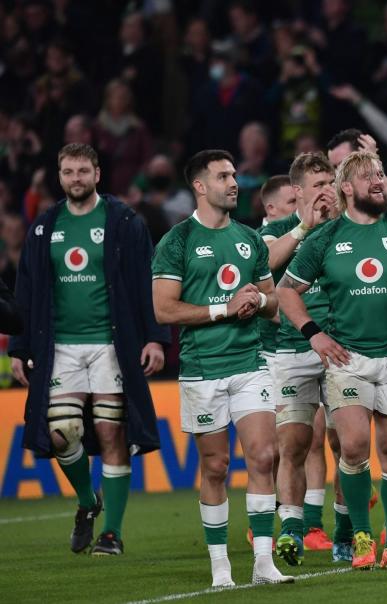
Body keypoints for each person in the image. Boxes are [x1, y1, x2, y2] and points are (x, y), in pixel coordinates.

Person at [277, 150, 387, 571]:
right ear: (346, 189)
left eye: (380, 173)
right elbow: (285, 291)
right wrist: (314, 334)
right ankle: (359, 535)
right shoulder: (324, 237)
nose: (378, 181)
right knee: (352, 447)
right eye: (368, 176)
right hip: (348, 359)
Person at [9, 143, 168, 556]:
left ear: (97, 174)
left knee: (112, 431)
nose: (75, 179)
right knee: (62, 434)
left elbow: (146, 283)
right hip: (60, 345)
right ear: (59, 176)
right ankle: (86, 499)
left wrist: (154, 337)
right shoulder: (44, 226)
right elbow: (26, 291)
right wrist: (18, 348)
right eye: (67, 172)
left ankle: (111, 533)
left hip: (111, 345)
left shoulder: (124, 222)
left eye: (82, 171)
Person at [151, 149, 292, 586]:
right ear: (199, 186)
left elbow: (275, 309)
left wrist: (258, 302)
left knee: (265, 456)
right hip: (202, 369)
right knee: (214, 467)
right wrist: (224, 309)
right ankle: (220, 567)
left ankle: (264, 563)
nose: (233, 183)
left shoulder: (249, 239)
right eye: (223, 176)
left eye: (233, 175)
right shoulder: (176, 242)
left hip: (250, 363)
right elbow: (164, 310)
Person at [260, 157, 336, 566]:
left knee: (346, 442)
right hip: (292, 349)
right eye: (318, 183)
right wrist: (304, 226)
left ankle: (341, 528)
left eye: (331, 181)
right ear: (299, 192)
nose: (327, 189)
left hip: (344, 347)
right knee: (291, 443)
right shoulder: (275, 230)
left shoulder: (349, 222)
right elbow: (264, 266)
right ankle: (292, 528)